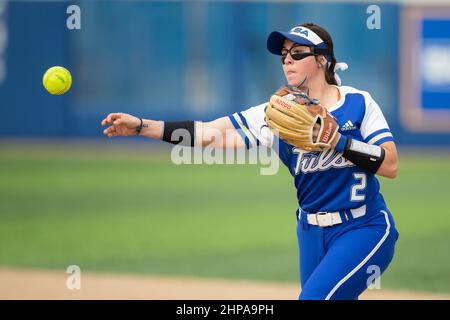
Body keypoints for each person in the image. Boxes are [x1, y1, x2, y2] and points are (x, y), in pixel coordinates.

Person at [101, 22, 399, 300]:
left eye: (297, 53)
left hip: (364, 226)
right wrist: (141, 125)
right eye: (283, 55)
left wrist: (338, 141)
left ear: (323, 60)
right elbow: (208, 134)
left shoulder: (358, 103)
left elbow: (390, 165)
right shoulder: (278, 113)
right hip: (310, 231)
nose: (287, 61)